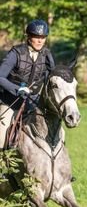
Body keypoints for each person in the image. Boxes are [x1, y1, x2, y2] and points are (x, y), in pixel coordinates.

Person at [0, 19, 55, 150]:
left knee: (56, 130)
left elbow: (52, 77)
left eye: (43, 37)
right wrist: (17, 89)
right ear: (29, 37)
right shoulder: (16, 53)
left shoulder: (47, 54)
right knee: (2, 134)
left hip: (34, 103)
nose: (40, 41)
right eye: (37, 37)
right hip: (10, 101)